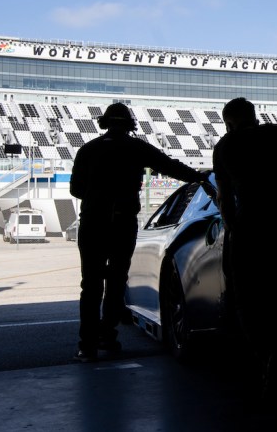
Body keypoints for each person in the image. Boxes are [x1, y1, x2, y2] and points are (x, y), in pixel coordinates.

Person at [69, 102, 208, 363]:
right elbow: (171, 167)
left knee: (90, 285)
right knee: (117, 280)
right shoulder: (136, 148)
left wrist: (97, 194)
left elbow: (76, 190)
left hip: (93, 223)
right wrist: (201, 178)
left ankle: (86, 346)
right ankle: (107, 336)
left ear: (105, 123)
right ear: (129, 125)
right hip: (122, 223)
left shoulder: (87, 150)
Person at [211, 97, 277, 389]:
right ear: (254, 116)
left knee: (247, 297)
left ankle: (266, 357)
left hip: (250, 229)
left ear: (229, 123)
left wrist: (232, 230)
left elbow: (224, 198)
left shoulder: (224, 147)